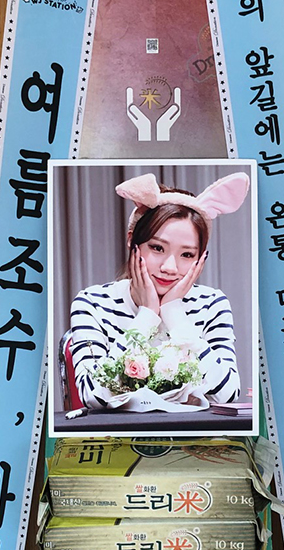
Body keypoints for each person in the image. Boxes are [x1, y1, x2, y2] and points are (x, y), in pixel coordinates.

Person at [68, 171, 250, 411]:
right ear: (132, 241)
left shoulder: (211, 304)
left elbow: (227, 394)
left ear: (201, 258)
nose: (169, 267)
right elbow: (92, 396)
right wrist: (146, 317)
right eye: (157, 248)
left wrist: (174, 314)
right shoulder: (93, 303)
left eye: (187, 254)